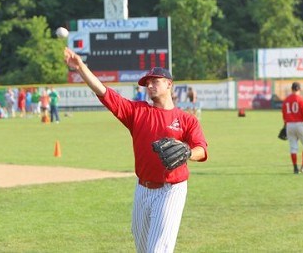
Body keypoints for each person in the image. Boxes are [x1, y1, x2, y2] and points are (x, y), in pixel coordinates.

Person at [64, 47, 208, 252]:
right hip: (143, 188)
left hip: (171, 189)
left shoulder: (186, 119)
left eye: (154, 81)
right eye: (146, 82)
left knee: (157, 249)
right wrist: (80, 67)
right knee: (142, 247)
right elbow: (104, 92)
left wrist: (187, 153)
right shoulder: (137, 112)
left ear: (169, 84)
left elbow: (201, 149)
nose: (149, 85)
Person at [282, 82, 303, 174]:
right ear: (299, 89)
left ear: (291, 89)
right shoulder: (302, 100)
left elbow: (284, 114)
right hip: (300, 124)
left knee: (293, 147)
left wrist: (285, 125)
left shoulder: (286, 100)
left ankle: (295, 168)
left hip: (289, 125)